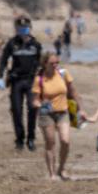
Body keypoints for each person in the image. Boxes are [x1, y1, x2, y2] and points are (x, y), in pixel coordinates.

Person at [0, 16, 44, 151]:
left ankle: (31, 139)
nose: (23, 30)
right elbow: (3, 60)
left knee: (32, 109)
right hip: (16, 81)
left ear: (30, 28)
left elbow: (42, 63)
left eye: (25, 28)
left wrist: (43, 79)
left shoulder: (36, 45)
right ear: (16, 29)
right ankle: (19, 139)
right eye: (20, 28)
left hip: (31, 81)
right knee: (16, 111)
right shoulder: (12, 43)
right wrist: (0, 76)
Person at [32, 51, 79, 180]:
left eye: (57, 62)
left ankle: (61, 168)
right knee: (50, 142)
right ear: (45, 63)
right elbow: (35, 100)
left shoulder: (63, 74)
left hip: (63, 112)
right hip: (46, 114)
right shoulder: (39, 79)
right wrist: (40, 104)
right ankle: (51, 173)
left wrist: (79, 107)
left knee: (65, 141)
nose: (55, 65)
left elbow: (73, 91)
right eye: (52, 63)